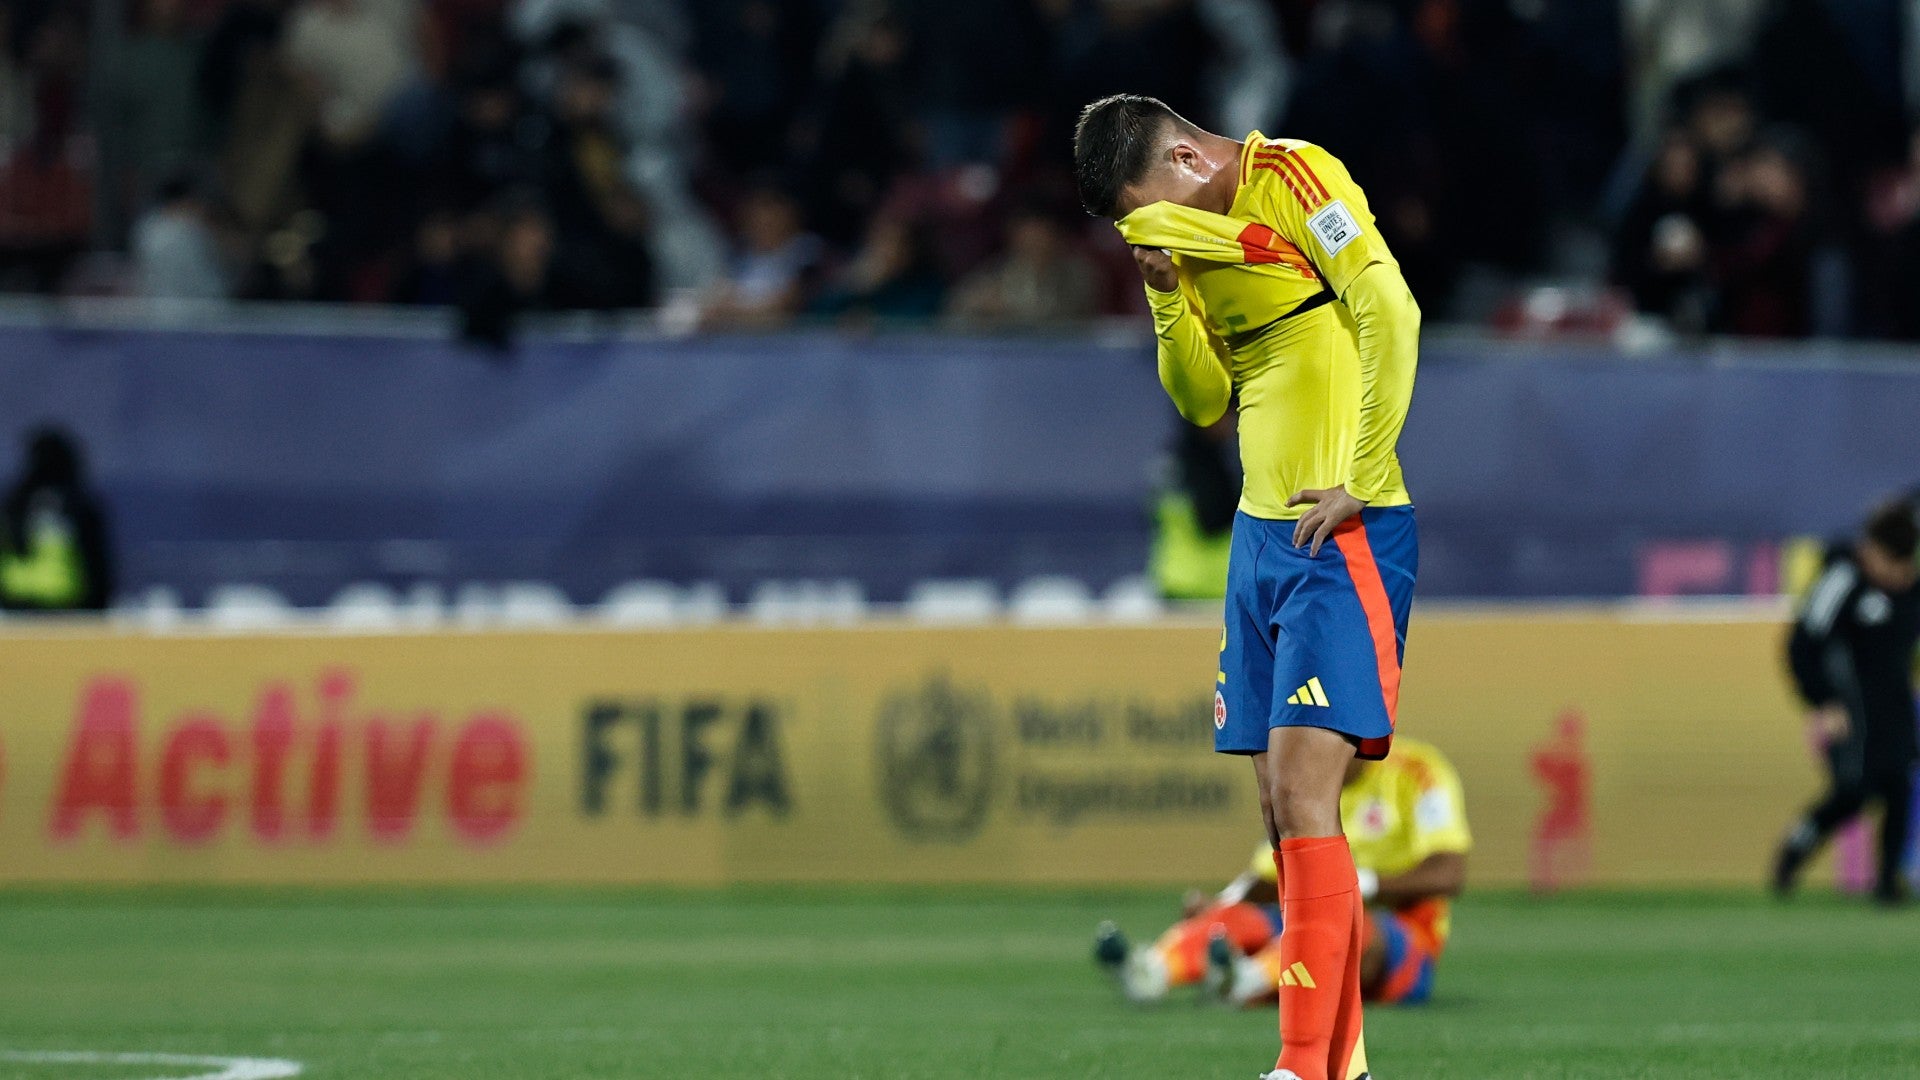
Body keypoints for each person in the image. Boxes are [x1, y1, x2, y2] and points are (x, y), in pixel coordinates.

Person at [1073, 94, 1421, 1080]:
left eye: (1149, 210)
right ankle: (1342, 1066)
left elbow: (1390, 309)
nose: (1151, 230)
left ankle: (1302, 1067)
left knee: (1308, 793)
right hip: (1259, 539)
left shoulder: (1296, 177)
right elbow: (1202, 399)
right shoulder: (1191, 240)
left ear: (1186, 158)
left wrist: (1363, 475)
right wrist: (1165, 295)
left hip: (1340, 529)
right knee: (1281, 811)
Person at [1095, 736, 1469, 1011]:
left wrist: (1354, 884)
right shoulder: (1306, 782)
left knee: (1349, 922)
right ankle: (1153, 970)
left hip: (1402, 945)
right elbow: (1267, 877)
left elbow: (1448, 874)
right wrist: (1220, 905)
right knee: (1242, 917)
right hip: (1309, 923)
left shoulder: (1417, 771)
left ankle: (1248, 979)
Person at [1773, 500, 1920, 905]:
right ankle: (1796, 847)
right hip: (1850, 709)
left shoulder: (1911, 588)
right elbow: (1801, 645)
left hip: (1895, 703)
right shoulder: (1842, 579)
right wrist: (1823, 701)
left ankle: (1888, 884)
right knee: (1855, 790)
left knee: (1900, 786)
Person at [0, 428, 114, 612]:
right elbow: (98, 564)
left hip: (14, 606)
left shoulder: (11, 503)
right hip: (68, 606)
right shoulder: (79, 504)